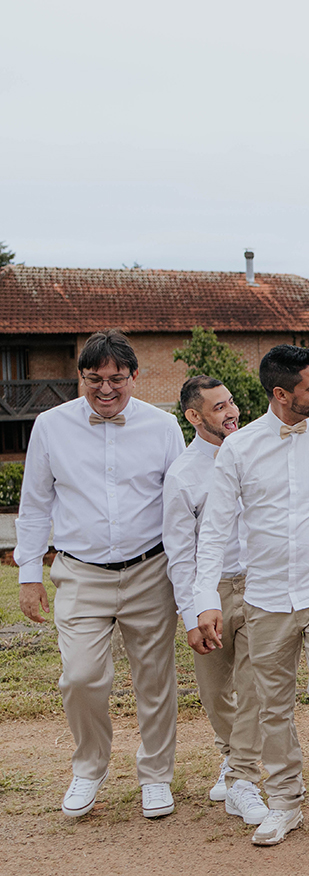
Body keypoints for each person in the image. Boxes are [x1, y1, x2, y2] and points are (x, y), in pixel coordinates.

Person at [194, 345, 309, 846]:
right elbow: (214, 530)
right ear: (281, 394)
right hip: (266, 597)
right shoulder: (238, 448)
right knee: (272, 705)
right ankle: (284, 801)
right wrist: (205, 599)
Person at [16, 329, 185, 819]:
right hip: (81, 574)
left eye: (117, 378)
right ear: (80, 378)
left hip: (151, 570)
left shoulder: (162, 427)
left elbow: (182, 505)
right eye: (95, 379)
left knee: (154, 680)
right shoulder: (50, 426)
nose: (106, 389)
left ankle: (156, 775)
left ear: (134, 376)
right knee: (81, 677)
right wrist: (29, 574)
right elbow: (34, 506)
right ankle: (89, 766)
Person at [161, 375, 267, 826]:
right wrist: (191, 614)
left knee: (257, 684)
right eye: (219, 407)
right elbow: (180, 554)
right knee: (214, 690)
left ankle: (242, 776)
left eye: (231, 403)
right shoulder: (183, 475)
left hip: (263, 586)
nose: (231, 412)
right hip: (213, 592)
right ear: (194, 416)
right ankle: (232, 756)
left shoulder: (259, 452)